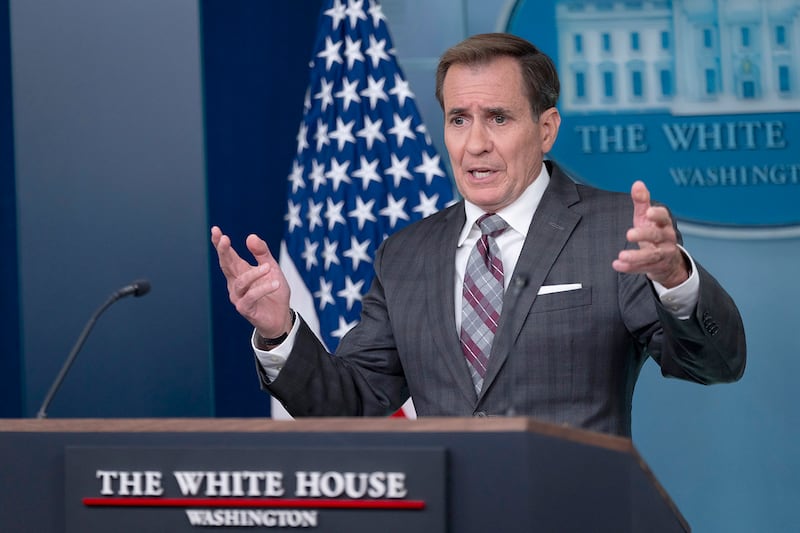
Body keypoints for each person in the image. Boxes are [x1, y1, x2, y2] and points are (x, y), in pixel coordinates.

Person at [211, 33, 746, 437]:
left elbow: (713, 365)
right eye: (459, 119)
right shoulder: (405, 254)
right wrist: (280, 331)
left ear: (546, 128)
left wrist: (675, 279)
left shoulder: (614, 231)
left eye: (498, 117)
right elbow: (353, 403)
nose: (476, 144)